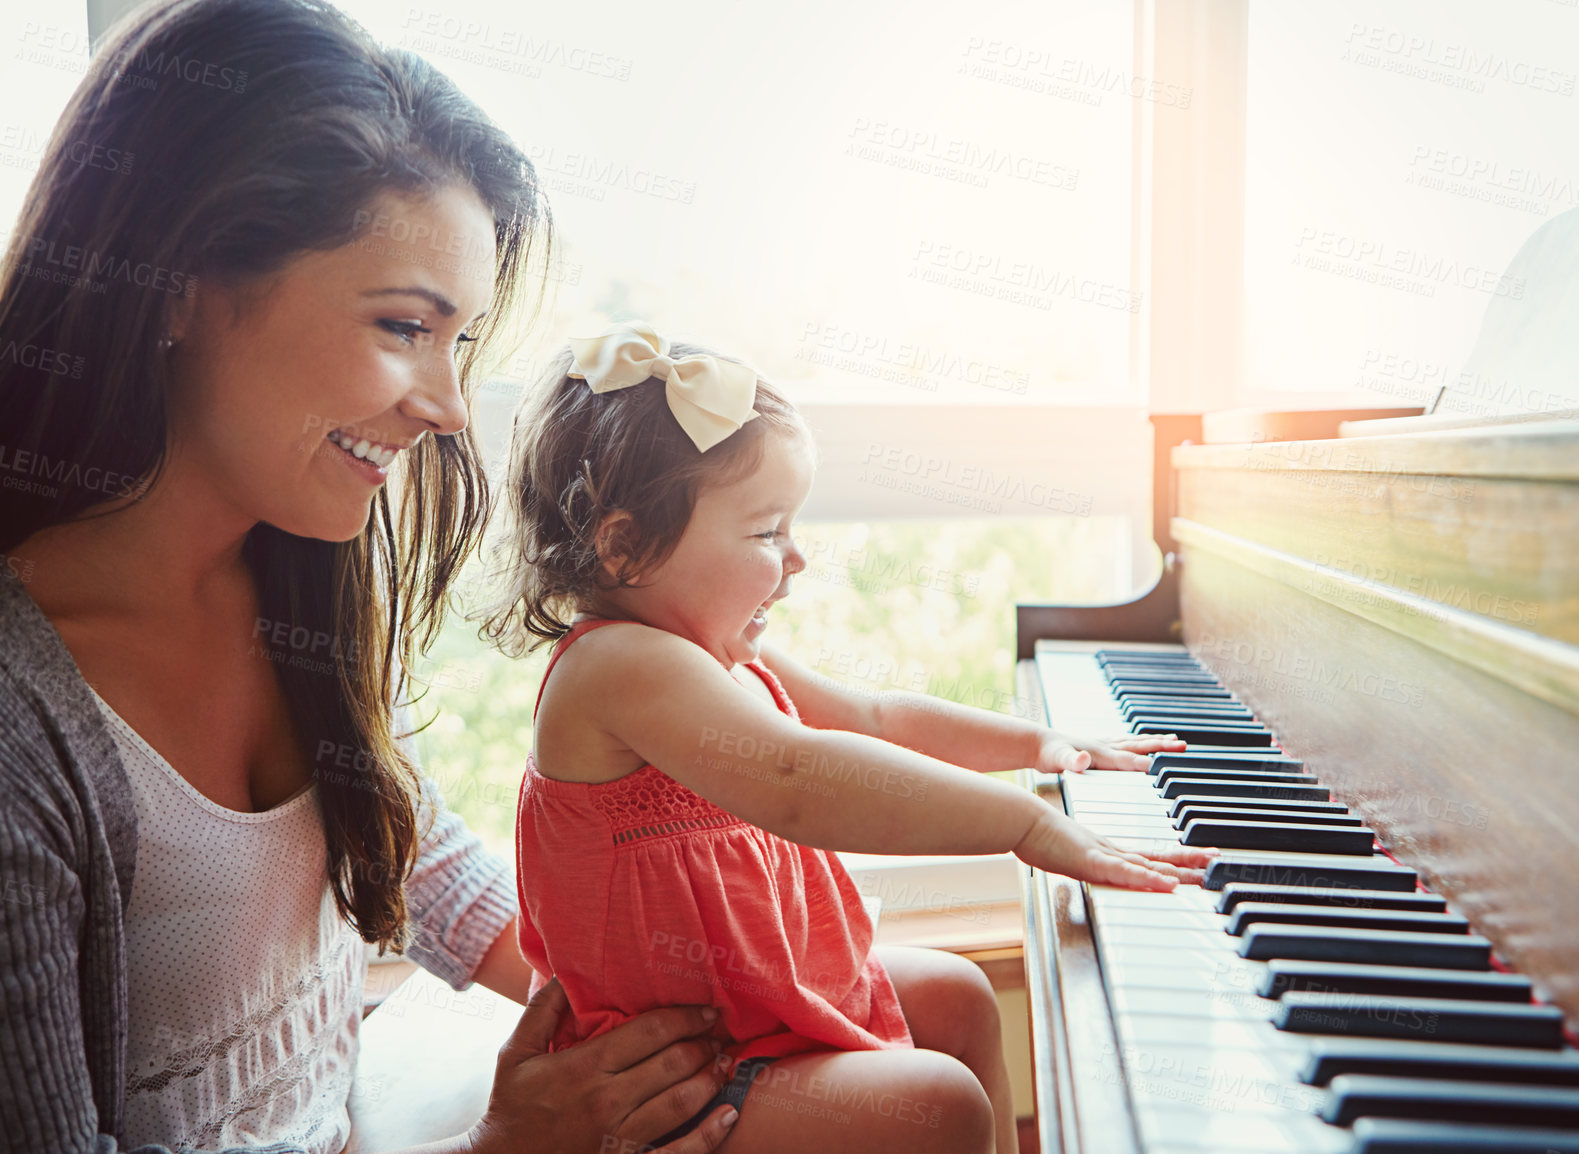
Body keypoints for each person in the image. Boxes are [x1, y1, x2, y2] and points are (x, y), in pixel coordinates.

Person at [0, 1, 741, 1151]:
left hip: (362, 1121)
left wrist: (626, 1004)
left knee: (908, 1019)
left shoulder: (293, 570)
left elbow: (401, 835)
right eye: (404, 324)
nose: (446, 406)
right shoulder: (21, 720)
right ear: (177, 279)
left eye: (461, 342)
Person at [479, 322, 1219, 1154]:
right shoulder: (616, 667)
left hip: (756, 1016)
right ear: (624, 547)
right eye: (766, 533)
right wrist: (1026, 825)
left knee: (963, 996)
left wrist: (1038, 744)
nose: (795, 559)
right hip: (680, 1075)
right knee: (939, 1102)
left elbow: (872, 719)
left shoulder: (712, 654)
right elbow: (801, 780)